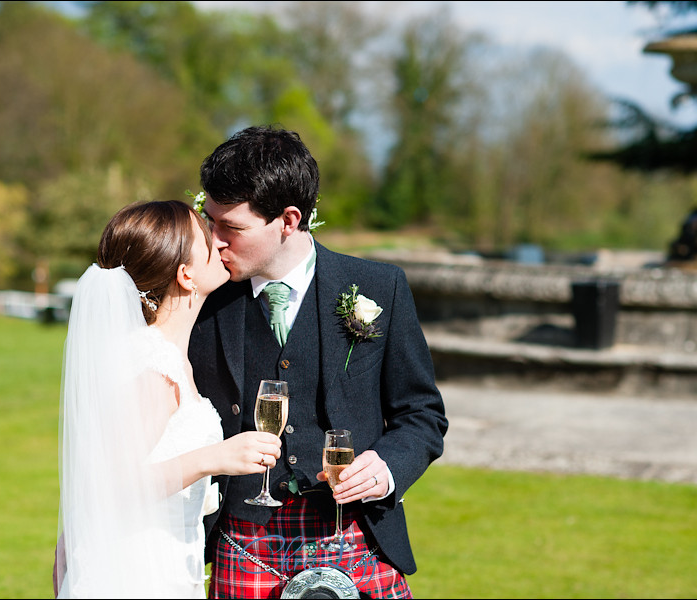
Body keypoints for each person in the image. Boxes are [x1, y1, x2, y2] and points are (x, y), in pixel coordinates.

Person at [190, 125, 449, 599]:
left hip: (354, 534)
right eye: (210, 220)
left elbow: (422, 414)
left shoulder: (378, 286)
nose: (215, 240)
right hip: (242, 539)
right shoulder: (201, 299)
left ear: (288, 220)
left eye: (232, 227)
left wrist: (387, 468)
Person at [52, 200, 282, 598]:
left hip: (166, 563)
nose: (217, 238)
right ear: (186, 275)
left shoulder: (164, 357)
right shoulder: (155, 369)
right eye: (204, 235)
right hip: (138, 573)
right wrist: (217, 457)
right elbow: (112, 485)